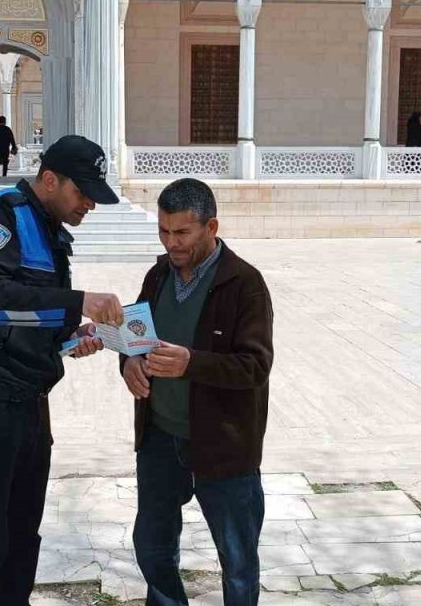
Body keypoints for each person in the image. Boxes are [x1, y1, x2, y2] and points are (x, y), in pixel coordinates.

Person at [0, 135, 126, 606]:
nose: (89, 205)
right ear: (49, 179)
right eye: (82, 193)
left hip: (29, 405)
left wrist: (69, 337)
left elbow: (30, 318)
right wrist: (76, 302)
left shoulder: (51, 230)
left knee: (23, 534)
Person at [121, 178, 274, 606]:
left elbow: (256, 366)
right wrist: (129, 363)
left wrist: (193, 363)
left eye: (182, 233)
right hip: (159, 442)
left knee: (238, 561)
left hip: (224, 450)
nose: (172, 243)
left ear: (212, 227)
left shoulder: (246, 284)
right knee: (151, 547)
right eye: (164, 232)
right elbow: (136, 339)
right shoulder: (156, 277)